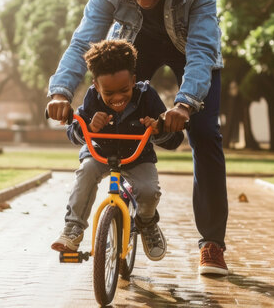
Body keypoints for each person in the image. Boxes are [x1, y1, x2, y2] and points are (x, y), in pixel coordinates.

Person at [46, 0, 229, 275]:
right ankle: (115, 202)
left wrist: (184, 105)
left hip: (191, 49)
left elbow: (201, 51)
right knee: (114, 98)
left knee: (204, 134)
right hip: (134, 44)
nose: (143, 1)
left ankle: (211, 243)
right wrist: (60, 91)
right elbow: (83, 43)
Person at [51, 39, 184, 262]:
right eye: (108, 93)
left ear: (133, 80)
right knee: (85, 172)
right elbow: (74, 132)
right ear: (96, 85)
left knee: (149, 192)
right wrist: (90, 127)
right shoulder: (92, 98)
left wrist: (158, 128)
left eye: (124, 90)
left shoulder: (147, 96)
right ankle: (73, 229)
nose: (117, 98)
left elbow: (174, 140)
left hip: (137, 157)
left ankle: (147, 222)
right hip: (100, 154)